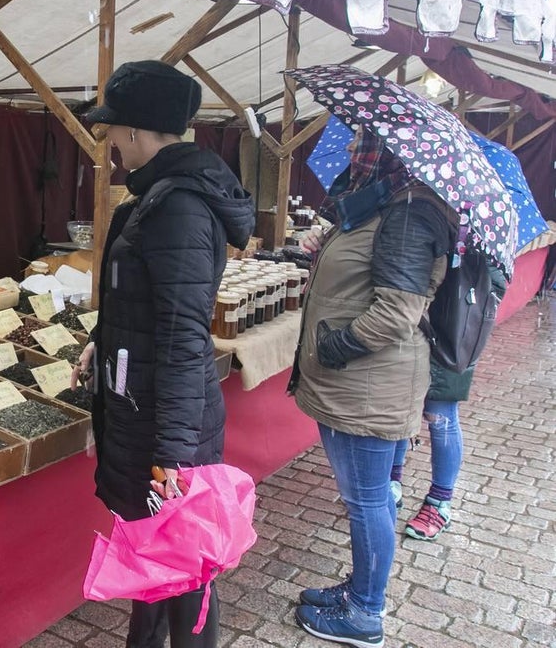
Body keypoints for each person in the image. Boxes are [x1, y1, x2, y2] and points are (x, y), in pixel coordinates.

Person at [70, 60, 255, 648]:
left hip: (165, 426)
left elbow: (180, 336)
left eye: (113, 130)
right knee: (155, 562)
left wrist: (174, 459)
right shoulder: (153, 200)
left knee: (186, 572)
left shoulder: (177, 208)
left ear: (133, 130)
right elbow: (145, 306)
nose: (111, 143)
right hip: (143, 409)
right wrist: (103, 340)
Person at [289, 132, 455, 648]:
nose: (357, 154)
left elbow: (396, 313)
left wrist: (333, 348)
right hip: (361, 384)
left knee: (367, 500)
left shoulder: (408, 215)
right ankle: (360, 589)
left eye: (368, 145)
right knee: (368, 497)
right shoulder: (390, 203)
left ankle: (364, 612)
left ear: (391, 153)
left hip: (367, 386)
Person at [390, 264, 507, 541]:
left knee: (439, 414)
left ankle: (440, 502)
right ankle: (392, 481)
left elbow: (495, 282)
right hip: (411, 319)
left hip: (455, 322)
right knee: (397, 404)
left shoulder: (477, 236)